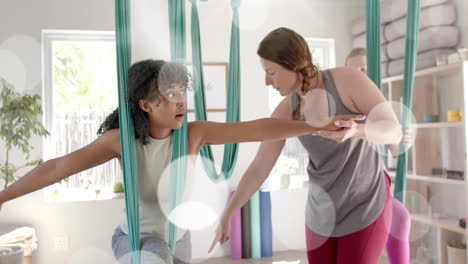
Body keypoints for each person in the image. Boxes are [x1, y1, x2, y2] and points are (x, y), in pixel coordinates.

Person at [0, 59, 361, 264]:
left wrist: (316, 124)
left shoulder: (193, 133)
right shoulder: (121, 142)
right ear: (146, 105)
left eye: (180, 92)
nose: (179, 102)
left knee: (167, 251)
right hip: (136, 239)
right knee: (155, 253)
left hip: (180, 242)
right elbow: (56, 167)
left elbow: (257, 128)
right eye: (168, 95)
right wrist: (2, 197)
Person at [210, 27, 403, 264]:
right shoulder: (285, 112)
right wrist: (229, 212)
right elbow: (259, 168)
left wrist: (359, 130)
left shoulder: (347, 80)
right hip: (322, 211)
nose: (267, 81)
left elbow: (394, 131)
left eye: (271, 72)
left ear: (293, 64)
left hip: (365, 201)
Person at [346, 47, 411, 264]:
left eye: (365, 69)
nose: (362, 74)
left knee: (400, 219)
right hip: (353, 190)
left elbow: (390, 151)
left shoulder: (378, 109)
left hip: (376, 186)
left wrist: (401, 140)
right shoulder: (346, 109)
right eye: (356, 70)